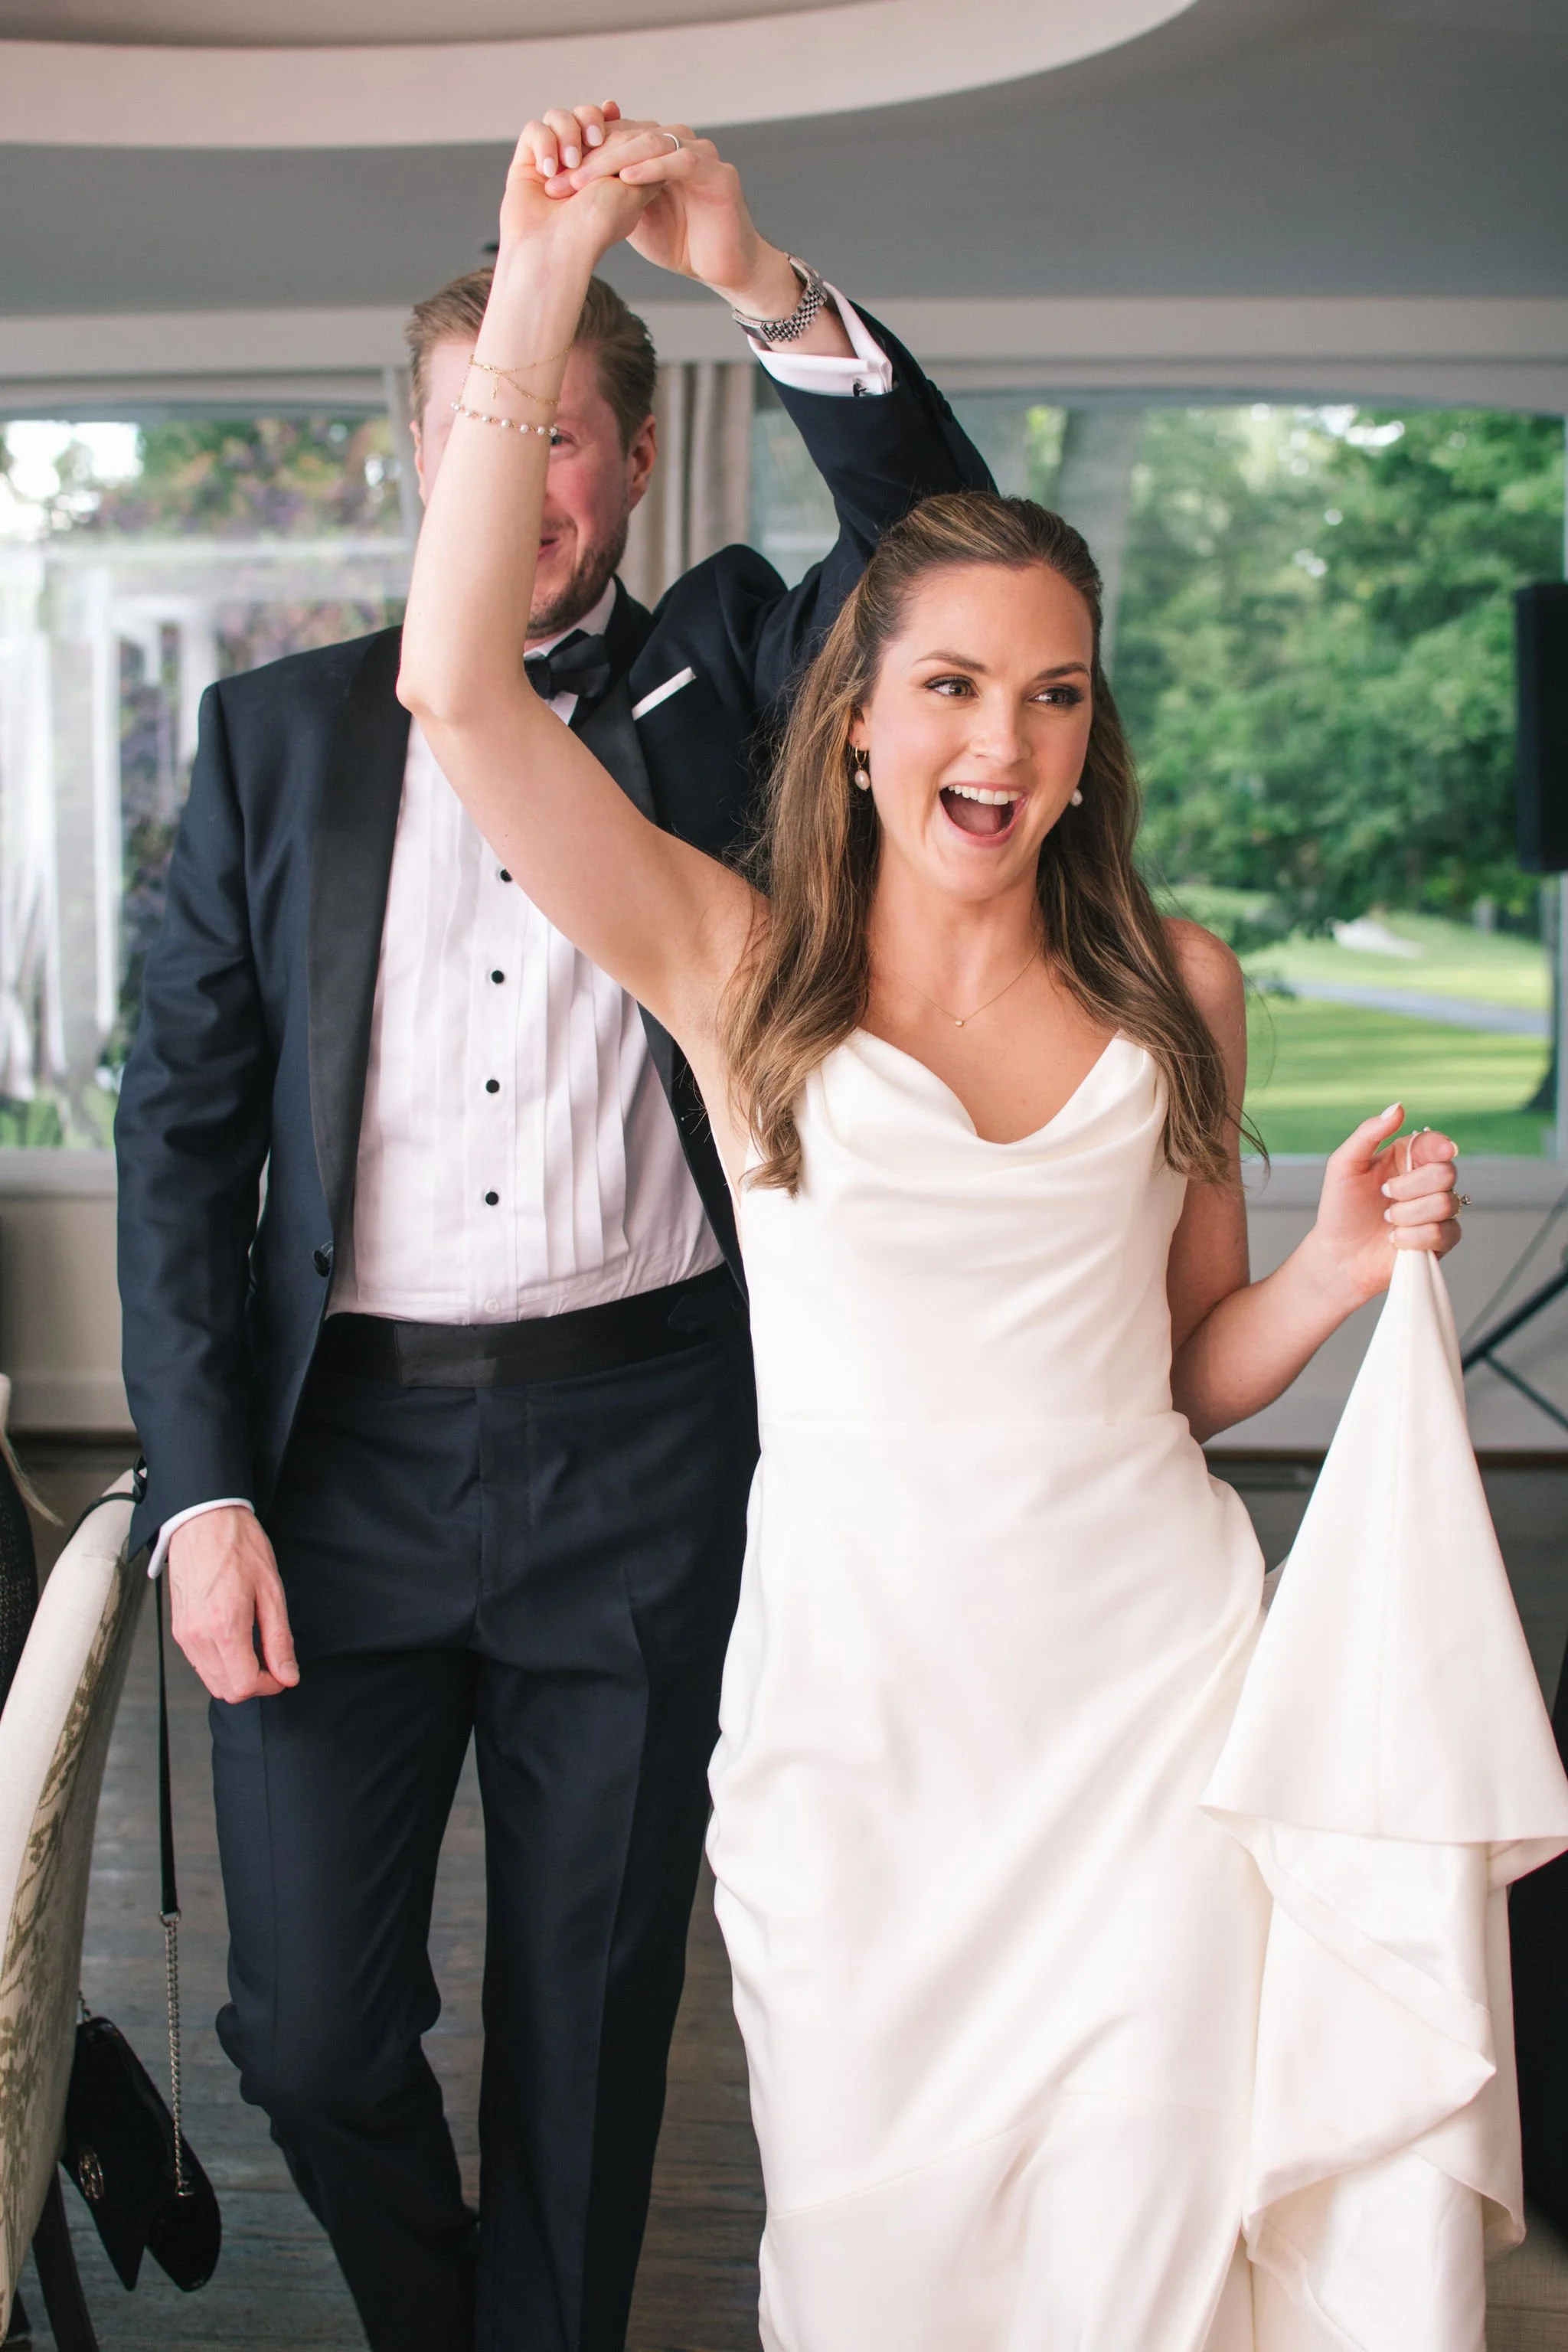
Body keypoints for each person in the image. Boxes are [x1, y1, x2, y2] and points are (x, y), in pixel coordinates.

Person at [394, 135, 1521, 2350]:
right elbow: (459, 696)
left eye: (1058, 692)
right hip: (865, 1750)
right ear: (858, 711)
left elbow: (1184, 1361)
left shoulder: (1176, 986)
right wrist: (543, 288)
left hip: (1154, 1717)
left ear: (1098, 732)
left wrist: (1337, 1271)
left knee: (1149, 2265)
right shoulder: (735, 968)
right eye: (952, 685)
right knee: (887, 2265)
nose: (1003, 741)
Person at [114, 100, 991, 2352]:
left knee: (594, 2040)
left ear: (619, 463)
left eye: (589, 437)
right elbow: (183, 1144)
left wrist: (763, 277)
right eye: (502, 426)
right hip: (337, 1469)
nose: (545, 480)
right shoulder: (270, 744)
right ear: (440, 456)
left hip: (644, 1445)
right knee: (301, 2034)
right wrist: (201, 1487)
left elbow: (954, 559)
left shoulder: (727, 681)